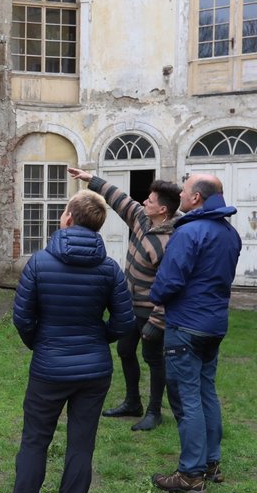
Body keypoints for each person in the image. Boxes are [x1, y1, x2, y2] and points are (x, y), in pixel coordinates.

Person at [0, 190, 135, 493]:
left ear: (68, 218)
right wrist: (98, 338)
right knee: (81, 443)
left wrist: (42, 344)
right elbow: (123, 321)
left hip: (50, 368)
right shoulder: (109, 269)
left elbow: (23, 319)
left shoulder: (39, 263)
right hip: (93, 369)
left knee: (35, 441)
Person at [67, 168, 182, 431]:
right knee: (124, 351)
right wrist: (90, 179)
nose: (144, 202)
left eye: (150, 201)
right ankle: (133, 402)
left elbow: (172, 286)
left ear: (162, 210)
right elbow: (120, 199)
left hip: (152, 311)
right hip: (131, 307)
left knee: (154, 360)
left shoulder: (171, 242)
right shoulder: (141, 219)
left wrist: (157, 321)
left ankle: (154, 411)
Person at [149, 174, 241, 493]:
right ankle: (211, 464)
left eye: (185, 191)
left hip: (186, 326)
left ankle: (190, 473)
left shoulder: (189, 232)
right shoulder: (230, 234)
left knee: (187, 399)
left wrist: (155, 295)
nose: (182, 195)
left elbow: (170, 279)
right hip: (214, 326)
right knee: (206, 393)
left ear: (197, 199)